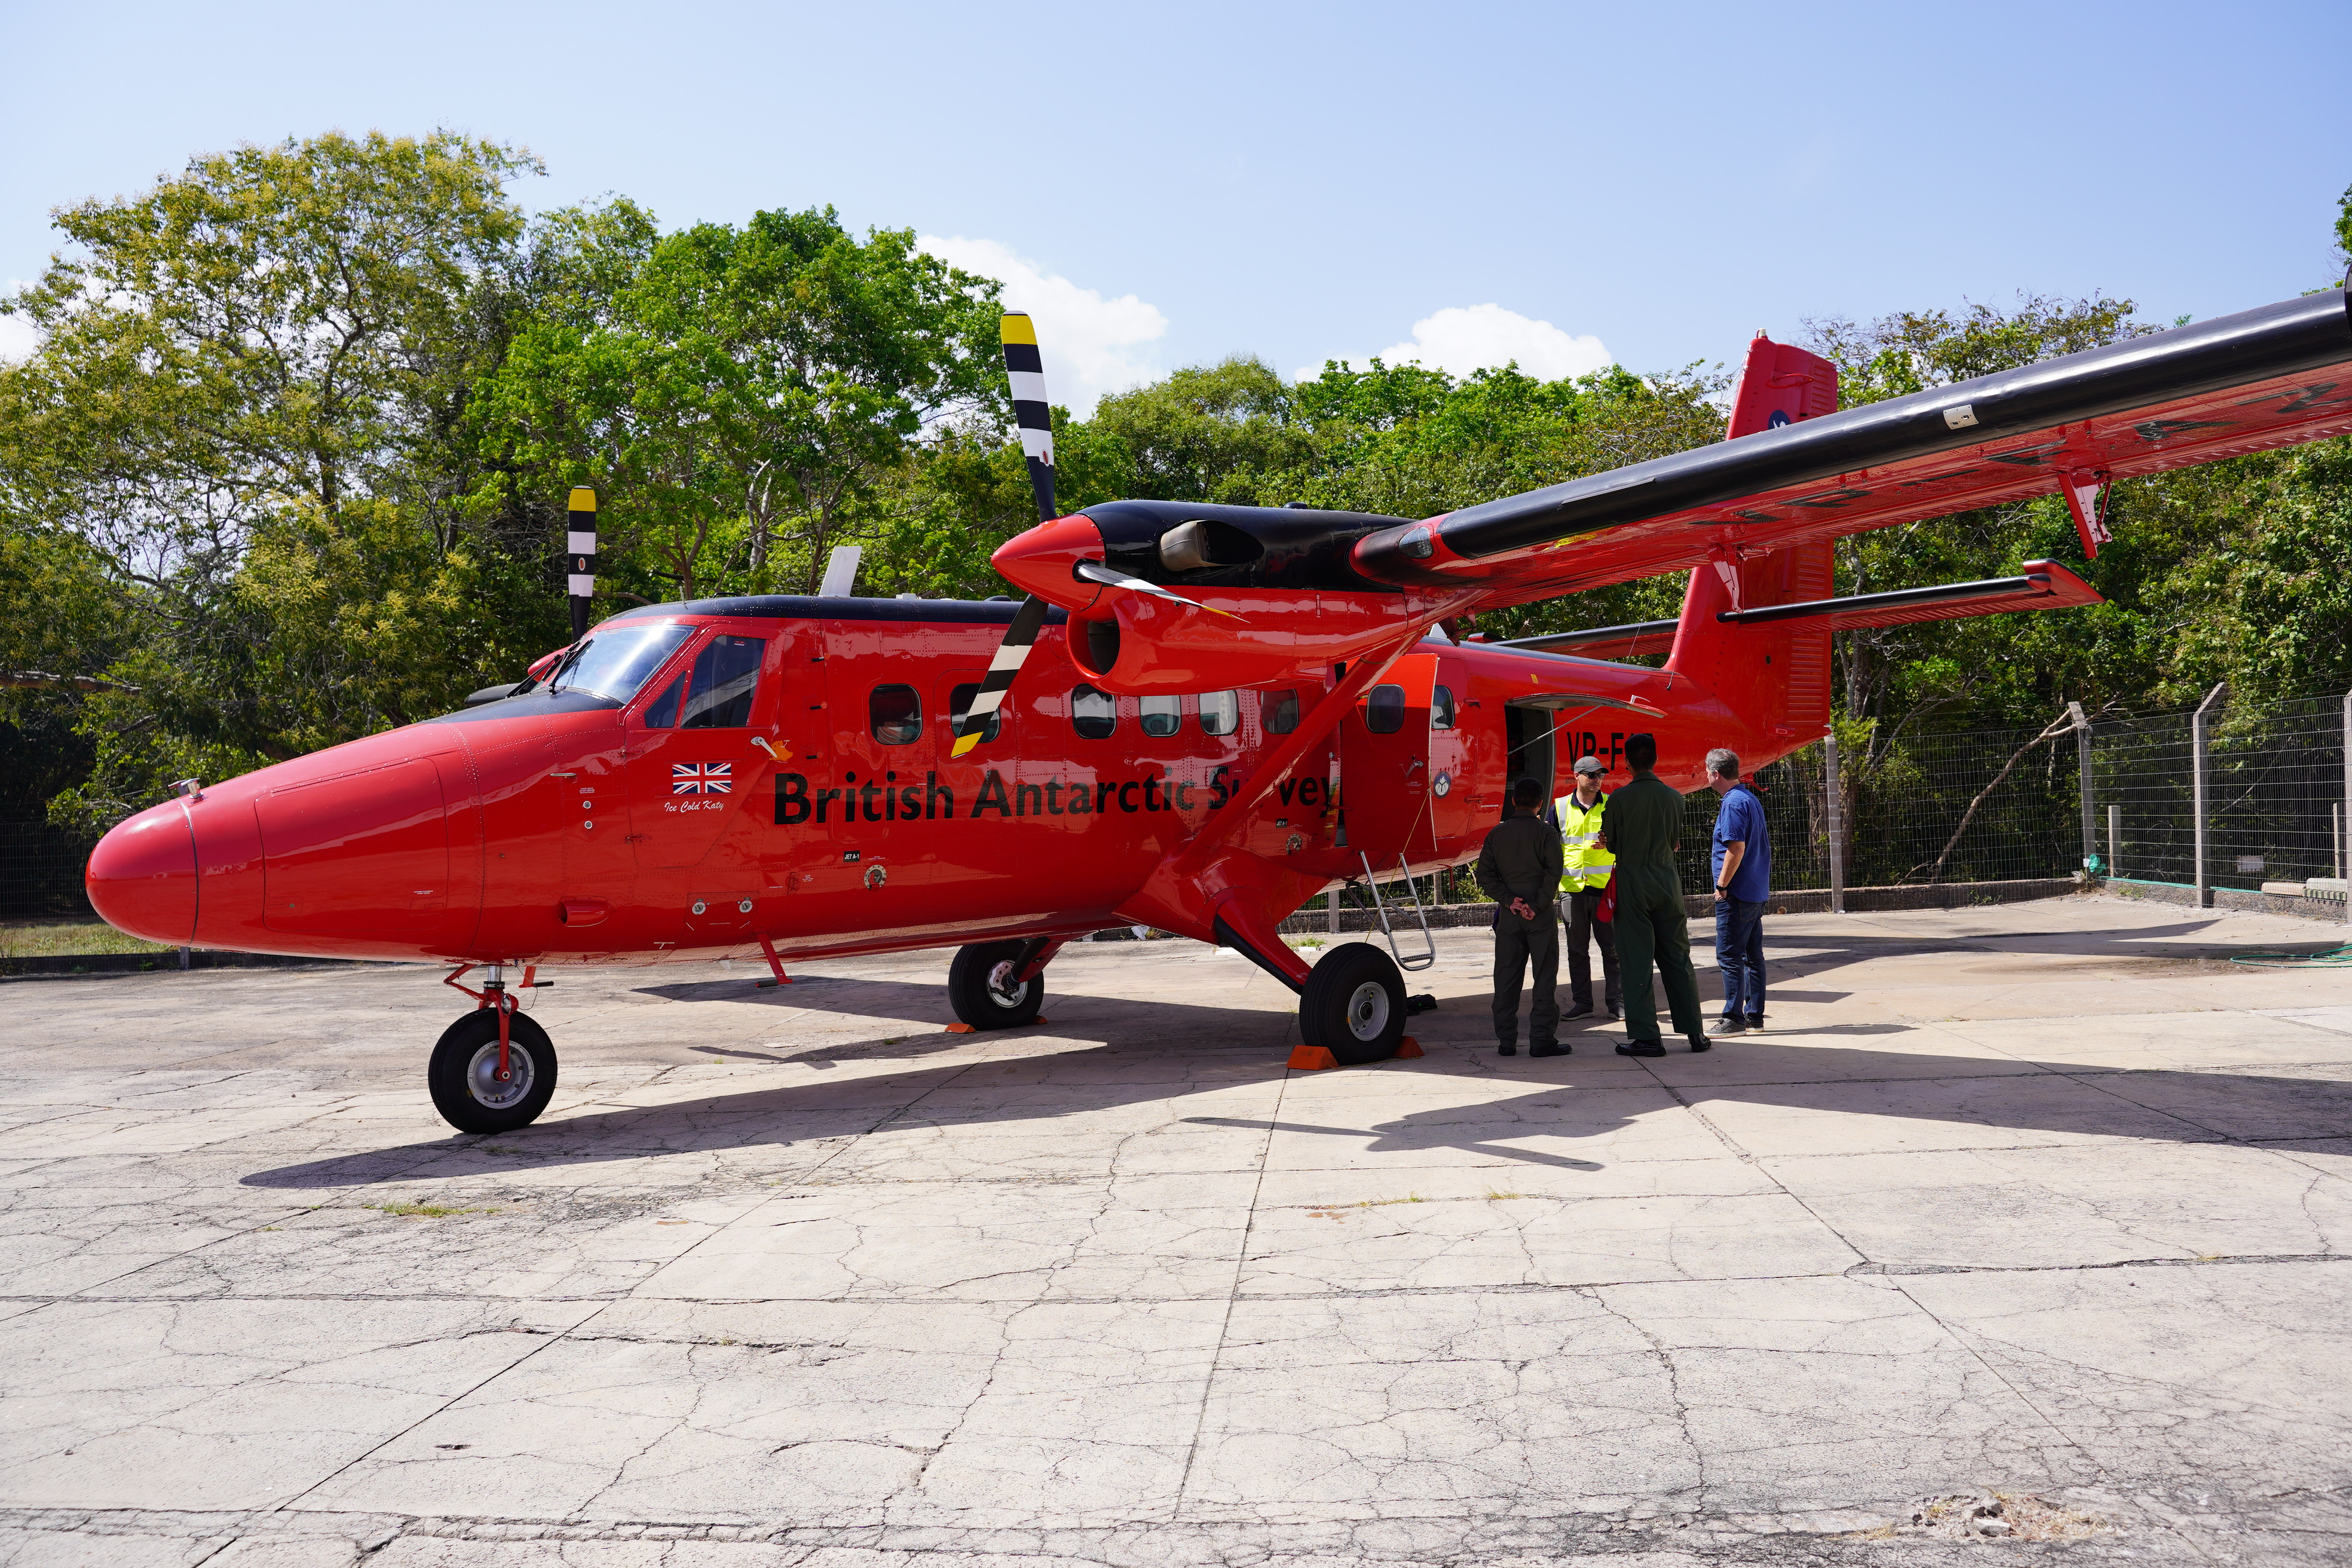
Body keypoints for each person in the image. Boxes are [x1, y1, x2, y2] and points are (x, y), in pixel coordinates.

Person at [1594, 733, 1712, 1056]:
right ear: (1656, 760)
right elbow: (1673, 840)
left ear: (1627, 763)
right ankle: (1695, 1033)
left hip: (1634, 880)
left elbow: (1614, 844)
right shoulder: (1676, 798)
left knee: (1636, 960)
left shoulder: (1619, 799)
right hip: (1667, 880)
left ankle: (1647, 1036)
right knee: (1677, 957)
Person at [1477, 776, 1566, 1057]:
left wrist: (1510, 902)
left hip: (1510, 915)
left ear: (1513, 801)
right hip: (1539, 916)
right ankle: (1541, 1039)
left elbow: (1485, 876)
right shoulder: (1547, 834)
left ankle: (1506, 1041)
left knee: (1505, 977)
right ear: (1541, 804)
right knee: (1544, 977)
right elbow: (1554, 874)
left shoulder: (1497, 834)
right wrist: (1535, 906)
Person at [1705, 748, 1770, 1033]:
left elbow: (1736, 848)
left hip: (1737, 893)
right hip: (1755, 890)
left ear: (1716, 774)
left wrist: (1722, 885)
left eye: (1707, 771)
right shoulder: (1749, 798)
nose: (1706, 776)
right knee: (1752, 955)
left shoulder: (1732, 804)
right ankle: (1754, 1015)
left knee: (1729, 955)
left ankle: (1733, 1018)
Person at [1555, 755, 1621, 1020]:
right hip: (1572, 890)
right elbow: (1549, 847)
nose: (1598, 780)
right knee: (1577, 951)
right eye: (1592, 775)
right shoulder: (1559, 807)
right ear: (1577, 776)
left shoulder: (1612, 804)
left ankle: (1617, 1002)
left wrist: (1612, 842)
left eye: (1601, 775)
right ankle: (1583, 1003)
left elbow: (1626, 841)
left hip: (1605, 890)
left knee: (1613, 950)